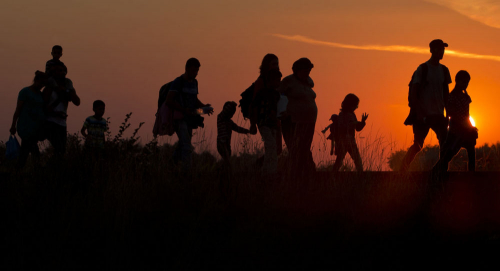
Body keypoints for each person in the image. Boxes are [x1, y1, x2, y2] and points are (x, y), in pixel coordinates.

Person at [400, 39, 452, 171]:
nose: (441, 52)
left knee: (445, 145)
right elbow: (414, 93)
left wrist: (448, 114)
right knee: (418, 145)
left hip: (439, 115)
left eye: (443, 49)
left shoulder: (444, 70)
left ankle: (440, 174)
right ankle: (401, 170)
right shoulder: (422, 69)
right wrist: (420, 113)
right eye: (438, 49)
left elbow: (446, 94)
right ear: (431, 50)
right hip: (423, 115)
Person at [165, 58, 213, 170]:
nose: (195, 74)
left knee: (183, 144)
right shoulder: (178, 82)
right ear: (186, 69)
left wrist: (203, 106)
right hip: (179, 118)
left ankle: (170, 166)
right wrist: (183, 109)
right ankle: (187, 172)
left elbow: (194, 99)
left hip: (190, 117)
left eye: (197, 71)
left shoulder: (195, 83)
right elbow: (169, 100)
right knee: (186, 146)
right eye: (193, 71)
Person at [278, 58, 317, 177]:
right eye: (305, 71)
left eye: (309, 71)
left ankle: (303, 174)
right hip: (293, 121)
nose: (307, 73)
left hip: (309, 121)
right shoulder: (288, 81)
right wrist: (282, 112)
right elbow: (278, 96)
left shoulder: (308, 82)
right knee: (296, 149)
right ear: (297, 70)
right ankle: (291, 174)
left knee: (305, 148)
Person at [433, 71, 477, 173]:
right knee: (449, 154)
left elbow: (467, 115)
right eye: (464, 82)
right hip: (456, 130)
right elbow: (451, 114)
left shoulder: (465, 97)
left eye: (467, 82)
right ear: (457, 81)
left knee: (471, 149)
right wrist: (465, 127)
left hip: (465, 129)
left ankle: (472, 175)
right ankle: (435, 173)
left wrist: (471, 129)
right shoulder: (452, 96)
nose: (465, 84)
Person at [9, 71, 48, 168]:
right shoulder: (25, 92)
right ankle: (32, 172)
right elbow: (18, 110)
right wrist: (13, 125)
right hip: (25, 127)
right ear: (36, 80)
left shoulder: (40, 95)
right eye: (41, 83)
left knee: (25, 151)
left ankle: (20, 172)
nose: (41, 86)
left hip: (36, 128)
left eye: (43, 84)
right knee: (31, 151)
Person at [43, 62, 80, 157]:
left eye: (62, 71)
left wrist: (70, 91)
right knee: (59, 148)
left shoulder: (68, 86)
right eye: (57, 70)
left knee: (61, 151)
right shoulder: (48, 88)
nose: (61, 73)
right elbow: (44, 107)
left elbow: (77, 102)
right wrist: (56, 113)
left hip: (62, 123)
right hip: (50, 122)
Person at [250, 69, 282, 175]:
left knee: (272, 147)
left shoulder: (277, 95)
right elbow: (254, 108)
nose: (279, 83)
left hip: (273, 125)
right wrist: (253, 124)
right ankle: (267, 170)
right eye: (277, 80)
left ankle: (270, 170)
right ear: (270, 80)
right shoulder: (262, 93)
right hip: (263, 123)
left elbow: (278, 110)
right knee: (271, 145)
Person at [331, 94, 368, 172]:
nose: (356, 107)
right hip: (345, 142)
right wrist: (353, 124)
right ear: (350, 104)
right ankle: (361, 176)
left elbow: (357, 128)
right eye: (355, 105)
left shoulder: (351, 115)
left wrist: (362, 122)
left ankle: (333, 175)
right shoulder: (342, 115)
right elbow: (343, 127)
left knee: (345, 160)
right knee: (355, 160)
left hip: (350, 142)